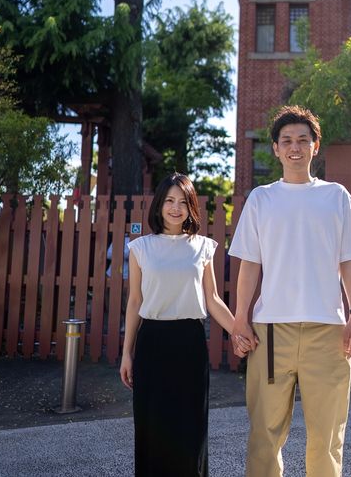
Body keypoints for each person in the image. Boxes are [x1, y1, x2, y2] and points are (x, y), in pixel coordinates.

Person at [229, 105, 351, 477]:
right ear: (276, 149)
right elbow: (250, 265)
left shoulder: (336, 197)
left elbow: (349, 262)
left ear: (315, 146)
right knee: (265, 434)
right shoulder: (261, 199)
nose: (295, 147)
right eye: (287, 140)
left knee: (327, 436)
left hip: (328, 332)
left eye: (303, 140)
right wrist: (240, 319)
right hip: (271, 333)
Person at [120, 172, 249, 477]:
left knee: (190, 427)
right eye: (169, 201)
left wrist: (238, 331)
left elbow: (212, 298)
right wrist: (127, 353)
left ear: (191, 206)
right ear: (159, 205)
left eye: (182, 201)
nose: (175, 208)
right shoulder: (141, 248)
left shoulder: (202, 247)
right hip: (152, 342)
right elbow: (135, 302)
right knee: (153, 426)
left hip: (189, 342)